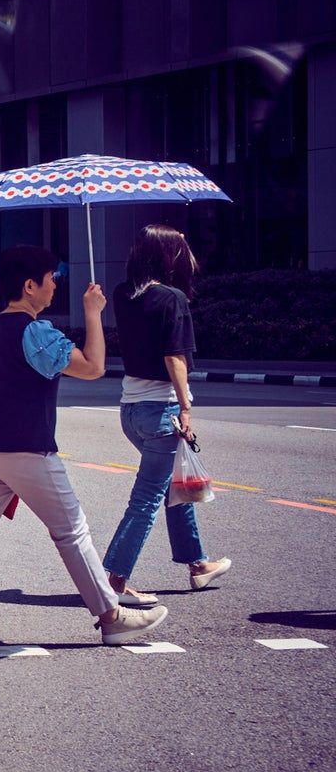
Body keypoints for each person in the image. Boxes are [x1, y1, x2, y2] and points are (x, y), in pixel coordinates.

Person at [0, 244, 169, 648]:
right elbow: (93, 368)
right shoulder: (35, 331)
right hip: (25, 450)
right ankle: (111, 616)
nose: (55, 286)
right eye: (51, 279)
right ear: (30, 285)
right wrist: (93, 313)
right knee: (72, 530)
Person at [104, 225, 230, 600]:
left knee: (174, 486)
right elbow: (175, 357)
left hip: (130, 411)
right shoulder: (172, 298)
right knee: (145, 499)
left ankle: (197, 563)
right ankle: (114, 583)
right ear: (169, 256)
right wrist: (186, 407)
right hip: (161, 412)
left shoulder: (122, 294)